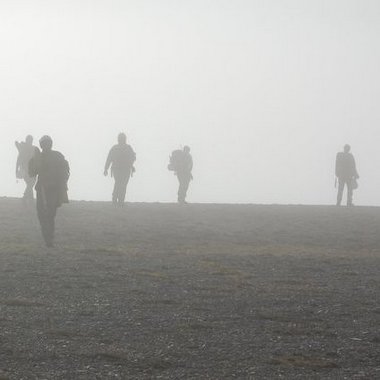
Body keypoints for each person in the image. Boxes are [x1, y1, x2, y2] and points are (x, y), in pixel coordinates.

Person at [29, 136, 70, 247]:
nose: (46, 146)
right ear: (42, 145)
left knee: (49, 214)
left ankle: (49, 238)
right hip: (42, 189)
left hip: (53, 190)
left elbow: (65, 172)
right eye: (44, 144)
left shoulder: (57, 156)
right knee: (42, 214)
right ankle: (47, 238)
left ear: (50, 144)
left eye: (47, 143)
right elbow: (32, 172)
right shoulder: (39, 157)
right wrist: (35, 161)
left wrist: (60, 184)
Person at [104, 133, 136, 206]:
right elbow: (133, 158)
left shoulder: (116, 148)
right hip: (123, 170)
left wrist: (106, 169)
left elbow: (109, 159)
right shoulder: (127, 148)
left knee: (120, 184)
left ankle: (117, 200)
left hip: (120, 170)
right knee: (121, 184)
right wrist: (105, 169)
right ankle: (118, 200)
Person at [15, 135, 37, 204]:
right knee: (30, 184)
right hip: (26, 169)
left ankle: (28, 199)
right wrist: (16, 169)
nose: (30, 141)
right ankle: (26, 198)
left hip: (32, 169)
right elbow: (19, 159)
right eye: (29, 140)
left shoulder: (29, 148)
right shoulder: (25, 148)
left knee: (30, 184)